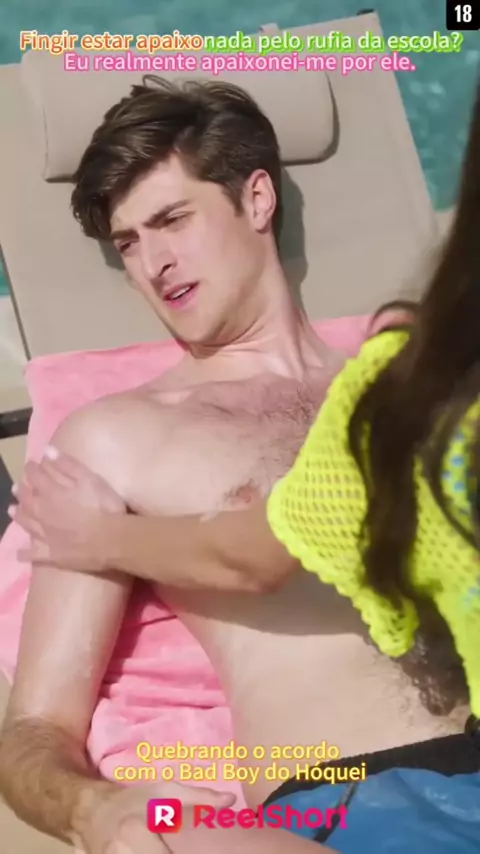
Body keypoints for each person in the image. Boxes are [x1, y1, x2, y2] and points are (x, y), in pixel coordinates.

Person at [5, 74, 478, 854]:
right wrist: (95, 809)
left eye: (172, 220)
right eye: (128, 243)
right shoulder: (118, 437)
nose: (153, 263)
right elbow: (34, 725)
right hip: (348, 801)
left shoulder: (404, 381)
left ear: (257, 199)